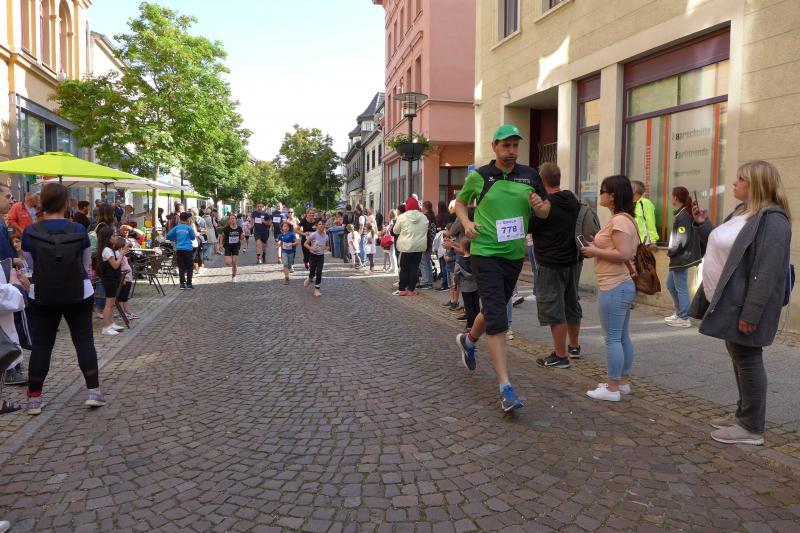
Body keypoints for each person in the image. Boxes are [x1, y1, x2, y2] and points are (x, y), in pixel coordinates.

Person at [690, 161, 791, 446]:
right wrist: (703, 225)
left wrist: (752, 313)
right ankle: (742, 414)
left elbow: (767, 272)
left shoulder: (773, 220)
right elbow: (729, 250)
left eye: (741, 179)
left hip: (745, 305)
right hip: (728, 301)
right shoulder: (742, 212)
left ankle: (751, 427)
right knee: (739, 357)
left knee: (747, 359)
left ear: (756, 184)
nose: (735, 183)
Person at [454, 124, 545, 412]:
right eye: (506, 145)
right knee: (498, 317)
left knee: (492, 308)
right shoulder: (480, 176)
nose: (511, 151)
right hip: (485, 252)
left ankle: (469, 340)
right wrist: (467, 222)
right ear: (494, 146)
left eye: (515, 145)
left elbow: (545, 211)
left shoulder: (530, 176)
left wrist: (539, 206)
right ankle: (506, 386)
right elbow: (460, 203)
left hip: (514, 255)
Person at [23, 182, 105, 415]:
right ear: (65, 203)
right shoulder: (78, 229)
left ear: (42, 203)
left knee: (42, 345)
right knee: (84, 341)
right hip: (78, 291)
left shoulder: (30, 231)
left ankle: (34, 399)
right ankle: (94, 392)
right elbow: (86, 264)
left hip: (43, 292)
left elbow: (30, 264)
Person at [580, 175, 639, 402]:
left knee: (613, 338)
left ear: (612, 196)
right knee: (621, 336)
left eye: (603, 191)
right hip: (619, 284)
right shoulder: (622, 219)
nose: (600, 195)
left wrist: (594, 250)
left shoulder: (620, 221)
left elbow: (623, 254)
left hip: (614, 284)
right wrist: (597, 243)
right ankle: (622, 383)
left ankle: (612, 388)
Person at [530, 162, 582, 369]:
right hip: (573, 261)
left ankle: (560, 355)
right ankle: (574, 346)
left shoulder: (545, 205)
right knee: (571, 303)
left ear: (542, 181)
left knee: (554, 307)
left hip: (550, 263)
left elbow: (529, 225)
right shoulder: (572, 199)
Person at [665, 186, 703, 328]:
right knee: (670, 284)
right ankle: (679, 312)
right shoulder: (682, 213)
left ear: (675, 198)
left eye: (671, 196)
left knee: (681, 287)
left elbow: (681, 238)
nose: (671, 198)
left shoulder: (683, 216)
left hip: (681, 258)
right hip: (678, 257)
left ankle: (684, 317)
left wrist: (671, 251)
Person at [393, 197, 430, 296]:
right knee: (414, 267)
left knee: (404, 268)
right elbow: (426, 229)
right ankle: (411, 289)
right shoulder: (424, 217)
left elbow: (395, 230)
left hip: (406, 246)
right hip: (419, 246)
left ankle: (402, 289)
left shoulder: (402, 217)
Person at [96, 227, 127, 336]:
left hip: (113, 278)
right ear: (107, 238)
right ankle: (106, 327)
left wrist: (121, 253)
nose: (115, 237)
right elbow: (115, 265)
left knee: (112, 303)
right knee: (109, 304)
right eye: (113, 236)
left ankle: (111, 323)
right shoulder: (107, 250)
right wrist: (121, 254)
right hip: (109, 279)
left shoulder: (110, 249)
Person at [166, 212, 196, 290]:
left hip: (179, 249)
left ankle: (182, 284)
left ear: (180, 219)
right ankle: (189, 284)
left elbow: (168, 236)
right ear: (188, 219)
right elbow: (193, 237)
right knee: (189, 267)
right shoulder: (189, 228)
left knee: (181, 267)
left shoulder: (176, 228)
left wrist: (175, 239)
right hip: (188, 249)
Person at [454, 238, 479, 331]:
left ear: (462, 248)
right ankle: (478, 325)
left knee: (468, 307)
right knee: (476, 305)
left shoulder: (459, 262)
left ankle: (470, 325)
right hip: (475, 286)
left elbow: (456, 274)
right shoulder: (475, 259)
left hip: (465, 287)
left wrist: (456, 284)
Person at [631, 180, 660, 251]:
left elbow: (650, 222)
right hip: (629, 242)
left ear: (634, 190)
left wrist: (653, 241)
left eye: (628, 187)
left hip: (642, 244)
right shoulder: (627, 204)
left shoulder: (645, 203)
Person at [304, 220, 330, 297]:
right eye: (319, 224)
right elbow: (305, 244)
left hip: (321, 256)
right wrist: (311, 248)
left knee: (319, 272)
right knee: (312, 272)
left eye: (323, 224)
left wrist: (327, 248)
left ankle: (317, 289)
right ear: (317, 226)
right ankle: (309, 278)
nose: (321, 225)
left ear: (324, 225)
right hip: (313, 256)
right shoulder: (314, 235)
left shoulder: (326, 236)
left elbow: (328, 246)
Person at [222, 214, 243, 282]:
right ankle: (229, 259)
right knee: (228, 263)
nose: (232, 220)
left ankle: (234, 276)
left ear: (236, 219)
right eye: (231, 219)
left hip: (236, 247)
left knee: (234, 263)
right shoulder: (227, 228)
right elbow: (222, 236)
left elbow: (242, 238)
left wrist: (242, 236)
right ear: (229, 220)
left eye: (233, 218)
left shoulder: (239, 228)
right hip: (228, 246)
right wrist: (220, 244)